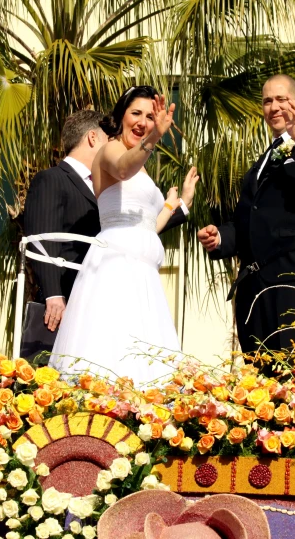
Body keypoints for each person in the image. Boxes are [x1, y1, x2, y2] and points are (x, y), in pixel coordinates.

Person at [49, 86, 199, 385]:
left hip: (144, 276)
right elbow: (121, 170)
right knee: (113, 353)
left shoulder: (141, 166)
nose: (143, 122)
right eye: (136, 114)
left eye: (149, 115)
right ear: (121, 116)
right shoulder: (111, 149)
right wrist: (155, 135)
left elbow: (147, 226)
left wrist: (177, 203)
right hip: (115, 268)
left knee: (144, 362)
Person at [197, 74, 295, 356]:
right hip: (254, 290)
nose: (274, 107)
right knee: (259, 385)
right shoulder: (260, 163)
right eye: (267, 101)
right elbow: (249, 219)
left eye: (282, 99)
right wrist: (220, 237)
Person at [23, 110, 190, 361]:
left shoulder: (107, 185)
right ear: (92, 138)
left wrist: (180, 206)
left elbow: (134, 226)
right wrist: (53, 294)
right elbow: (41, 238)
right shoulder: (52, 179)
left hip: (105, 291)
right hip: (66, 298)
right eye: (109, 138)